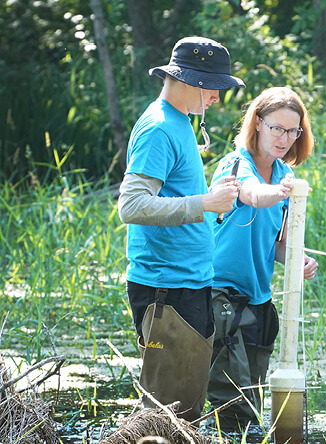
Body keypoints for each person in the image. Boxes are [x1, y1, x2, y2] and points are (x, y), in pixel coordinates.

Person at [118, 36, 244, 421]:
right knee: (165, 417)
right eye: (216, 88)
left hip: (186, 283)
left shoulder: (179, 122)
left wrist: (210, 198)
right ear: (191, 80)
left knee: (183, 409)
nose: (218, 98)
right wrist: (206, 202)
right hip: (166, 288)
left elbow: (174, 195)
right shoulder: (159, 127)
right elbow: (132, 205)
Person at [206, 87, 319, 433]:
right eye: (277, 128)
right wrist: (283, 191)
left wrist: (299, 258)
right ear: (257, 123)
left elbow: (279, 244)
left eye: (293, 131)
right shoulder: (235, 164)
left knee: (251, 401)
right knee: (232, 400)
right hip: (219, 295)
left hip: (258, 301)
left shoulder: (284, 174)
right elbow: (252, 195)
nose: (285, 138)